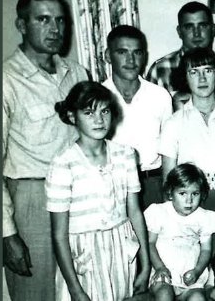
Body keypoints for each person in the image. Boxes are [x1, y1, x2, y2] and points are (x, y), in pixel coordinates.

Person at [3, 0, 89, 301]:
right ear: (22, 25)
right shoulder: (5, 81)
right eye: (43, 20)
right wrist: (7, 233)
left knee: (82, 290)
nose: (54, 29)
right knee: (35, 294)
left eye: (60, 20)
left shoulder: (78, 73)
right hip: (32, 202)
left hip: (79, 197)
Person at [46, 81, 151, 301]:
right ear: (73, 116)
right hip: (85, 260)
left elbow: (134, 212)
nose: (99, 120)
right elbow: (58, 234)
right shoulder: (63, 163)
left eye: (104, 111)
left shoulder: (126, 154)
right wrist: (75, 289)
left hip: (122, 252)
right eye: (89, 112)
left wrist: (145, 264)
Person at [102, 25, 173, 210]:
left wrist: (168, 192)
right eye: (122, 52)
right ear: (108, 56)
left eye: (137, 52)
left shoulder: (160, 96)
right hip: (113, 185)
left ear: (144, 56)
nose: (131, 60)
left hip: (153, 183)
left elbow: (169, 149)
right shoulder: (98, 97)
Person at [158, 48, 215, 190]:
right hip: (190, 201)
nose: (202, 78)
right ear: (185, 77)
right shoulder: (173, 123)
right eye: (194, 72)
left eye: (208, 70)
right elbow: (168, 182)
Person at [144, 163, 215, 301]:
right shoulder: (159, 212)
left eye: (195, 194)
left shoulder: (205, 217)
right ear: (170, 193)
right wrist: (160, 267)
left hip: (191, 276)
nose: (189, 200)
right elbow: (150, 243)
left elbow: (206, 249)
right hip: (164, 274)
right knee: (164, 295)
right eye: (182, 193)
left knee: (198, 298)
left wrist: (197, 270)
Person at [143, 1, 215, 96]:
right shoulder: (160, 70)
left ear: (213, 30)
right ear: (179, 32)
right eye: (189, 27)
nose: (197, 33)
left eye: (203, 26)